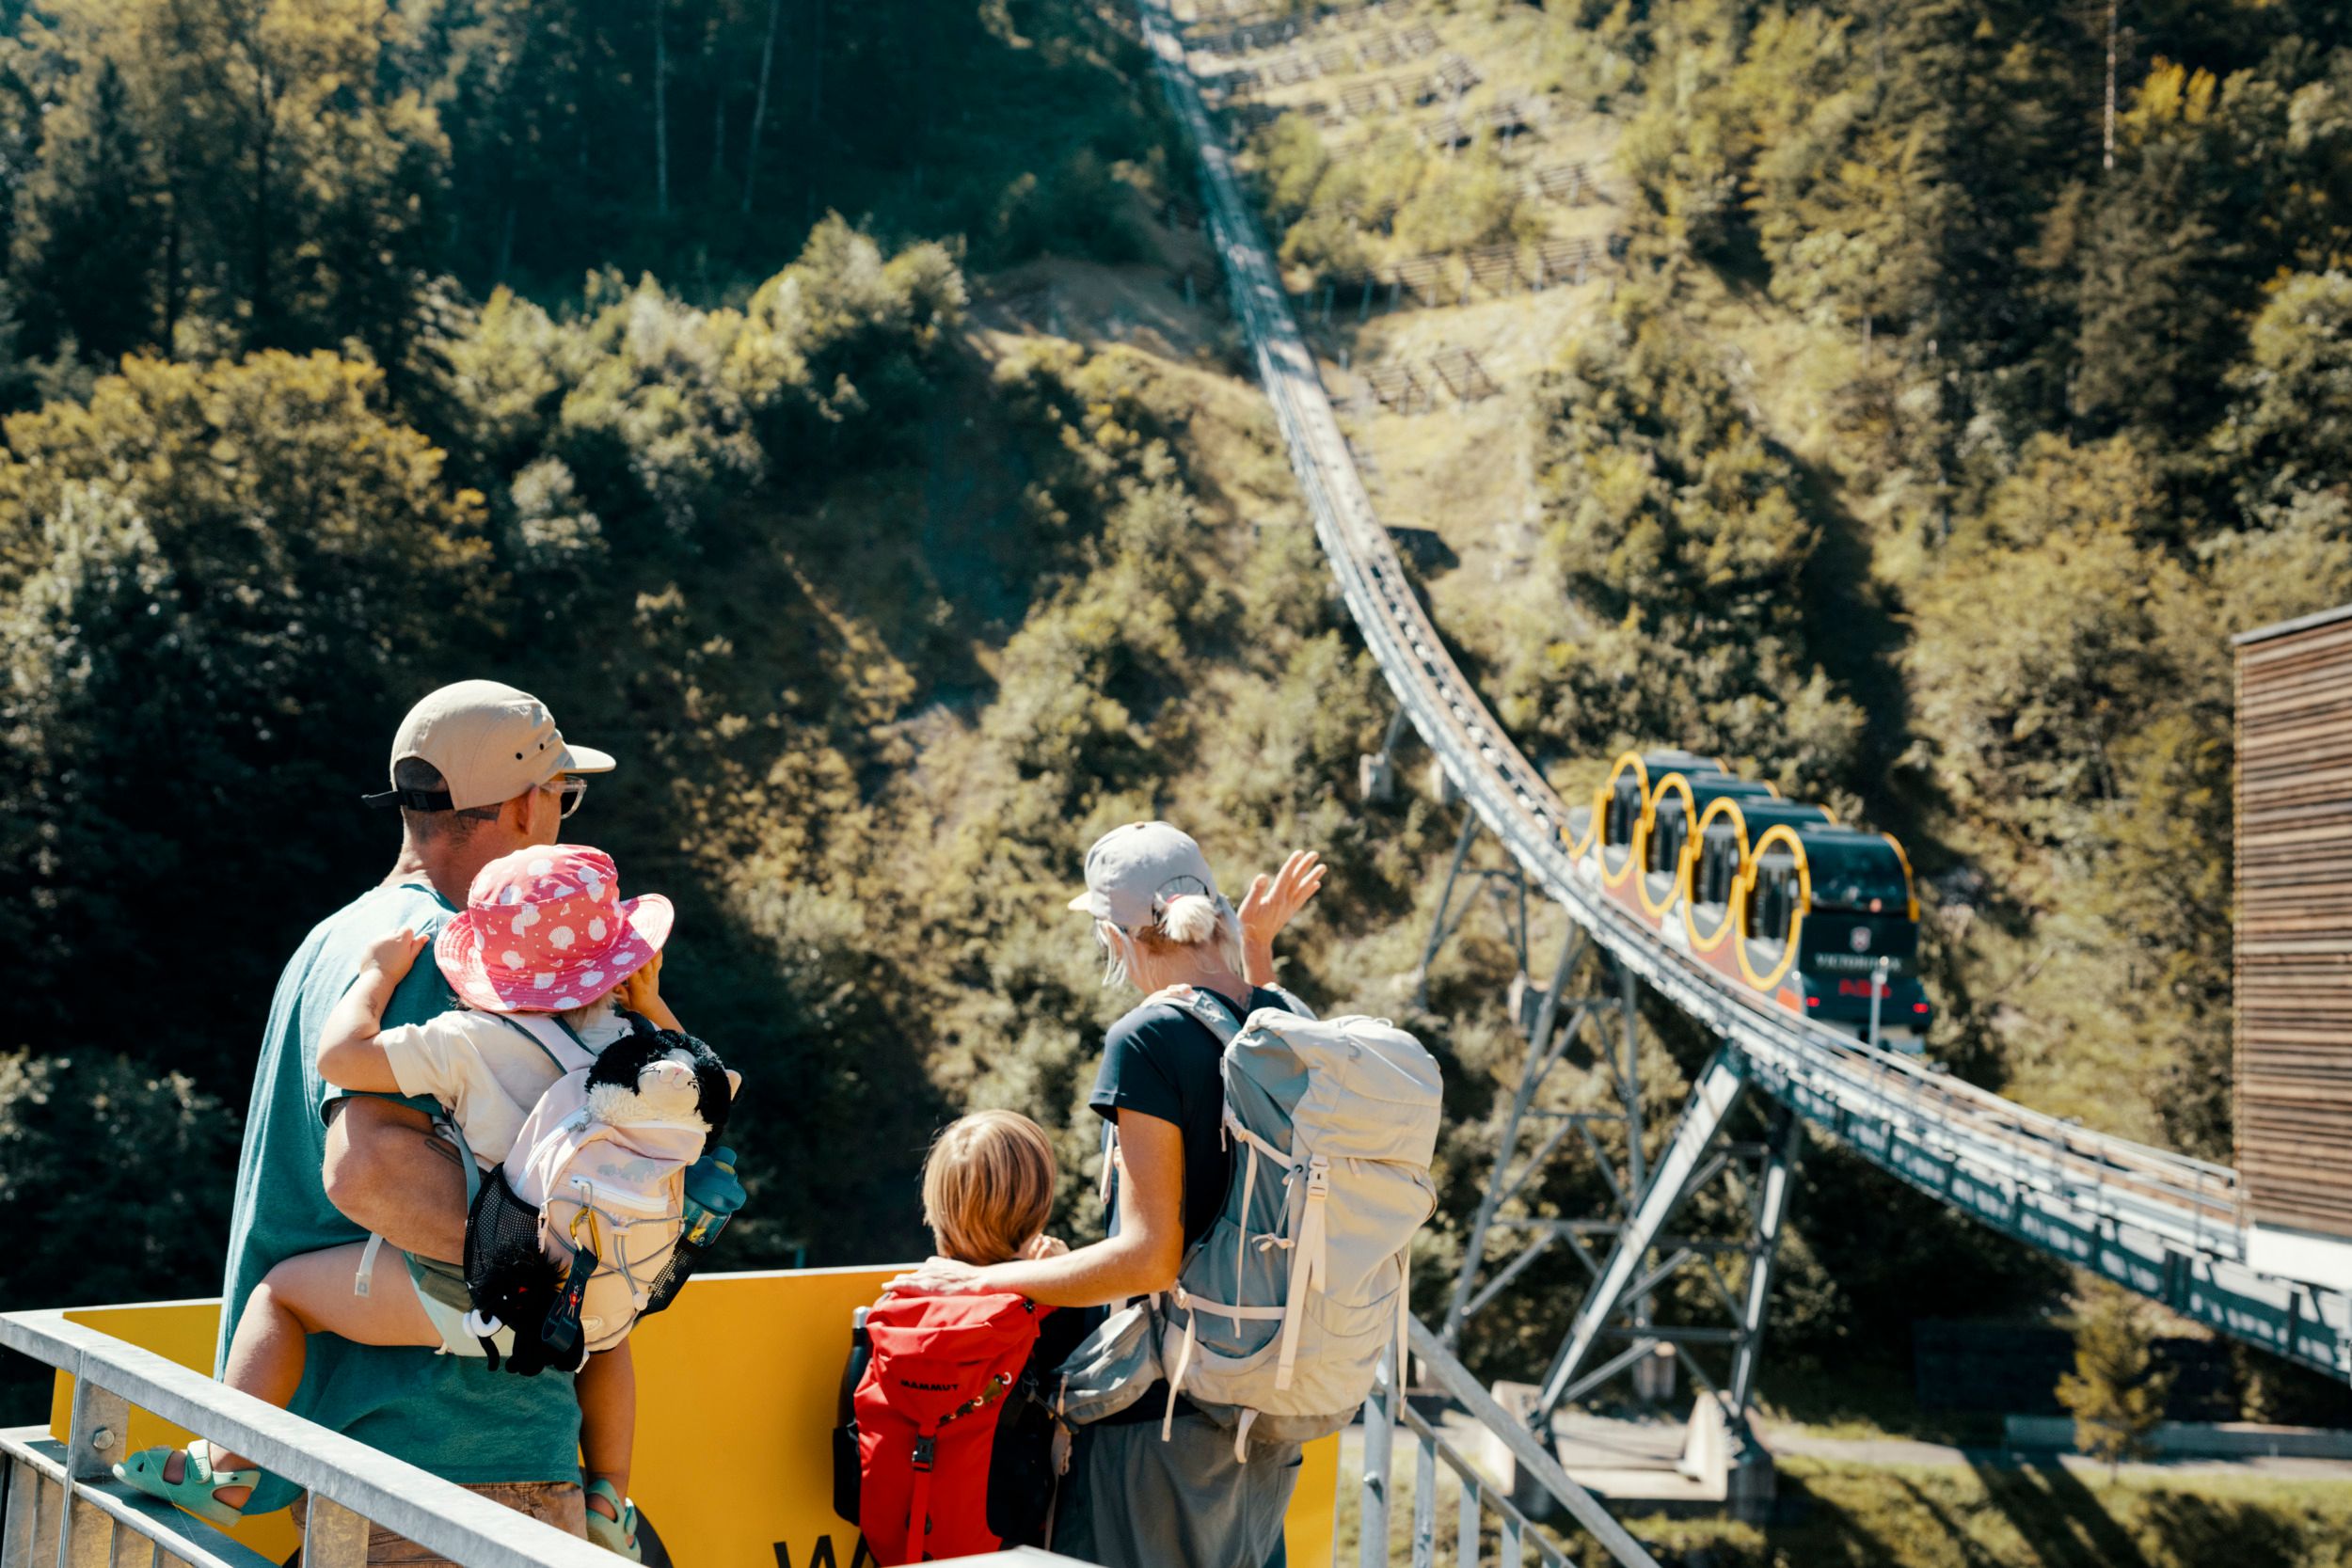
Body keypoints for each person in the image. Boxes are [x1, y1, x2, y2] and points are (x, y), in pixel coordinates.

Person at [116, 843, 683, 1561]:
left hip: (472, 1292)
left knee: (280, 1295)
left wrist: (375, 978)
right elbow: (712, 1088)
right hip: (589, 1296)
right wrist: (653, 1004)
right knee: (608, 1325)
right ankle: (609, 1496)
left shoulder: (471, 1039)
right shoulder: (639, 1048)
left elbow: (342, 1059)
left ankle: (228, 1469)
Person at [199, 680, 616, 1564]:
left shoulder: (333, 943)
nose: (563, 821)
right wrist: (567, 1270)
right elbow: (369, 1168)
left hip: (362, 1463)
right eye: (564, 797)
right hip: (468, 1471)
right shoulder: (460, 951)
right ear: (522, 803)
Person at [891, 824, 1326, 1568]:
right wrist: (1256, 948)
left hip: (1165, 1429)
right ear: (1214, 910)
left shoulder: (1149, 1037)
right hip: (1268, 1408)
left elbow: (1148, 1257)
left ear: (1117, 936)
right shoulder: (1283, 1017)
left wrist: (980, 1277)